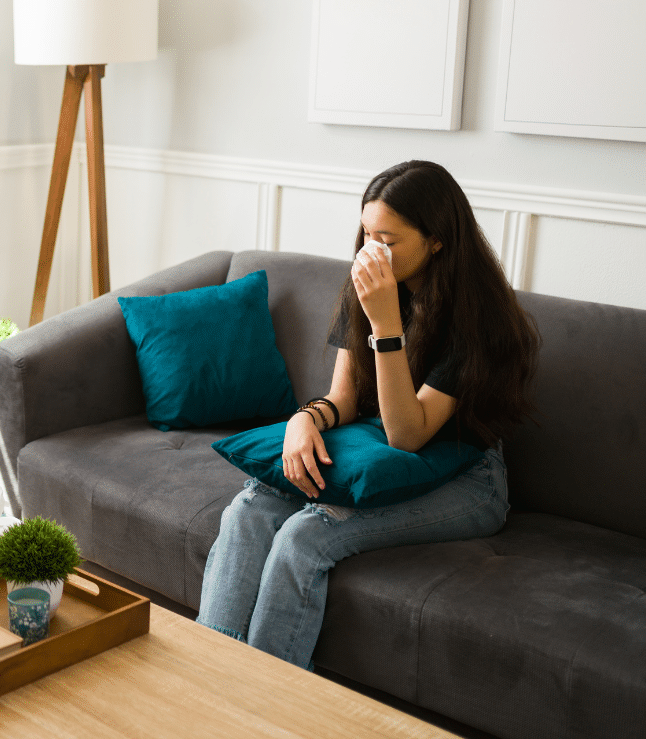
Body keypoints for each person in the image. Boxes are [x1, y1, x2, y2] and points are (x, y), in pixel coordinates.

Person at [195, 159, 540, 669]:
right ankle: (210, 676)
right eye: (367, 233)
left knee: (304, 535)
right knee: (249, 510)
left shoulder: (479, 320)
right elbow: (345, 400)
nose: (372, 250)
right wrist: (303, 421)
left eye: (390, 239)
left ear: (437, 240)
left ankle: (263, 704)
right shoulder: (368, 284)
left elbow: (407, 433)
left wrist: (385, 324)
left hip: (467, 479)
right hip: (379, 453)